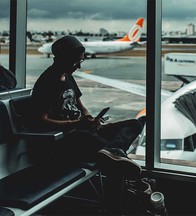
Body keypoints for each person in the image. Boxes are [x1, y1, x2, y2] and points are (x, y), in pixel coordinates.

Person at [30, 35, 145, 212]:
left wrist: (90, 119)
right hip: (66, 139)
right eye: (76, 62)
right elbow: (41, 120)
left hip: (84, 131)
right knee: (115, 163)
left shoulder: (68, 76)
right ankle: (114, 207)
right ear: (63, 58)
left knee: (134, 124)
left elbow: (80, 105)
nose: (79, 66)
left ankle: (113, 150)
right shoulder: (46, 82)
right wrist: (75, 123)